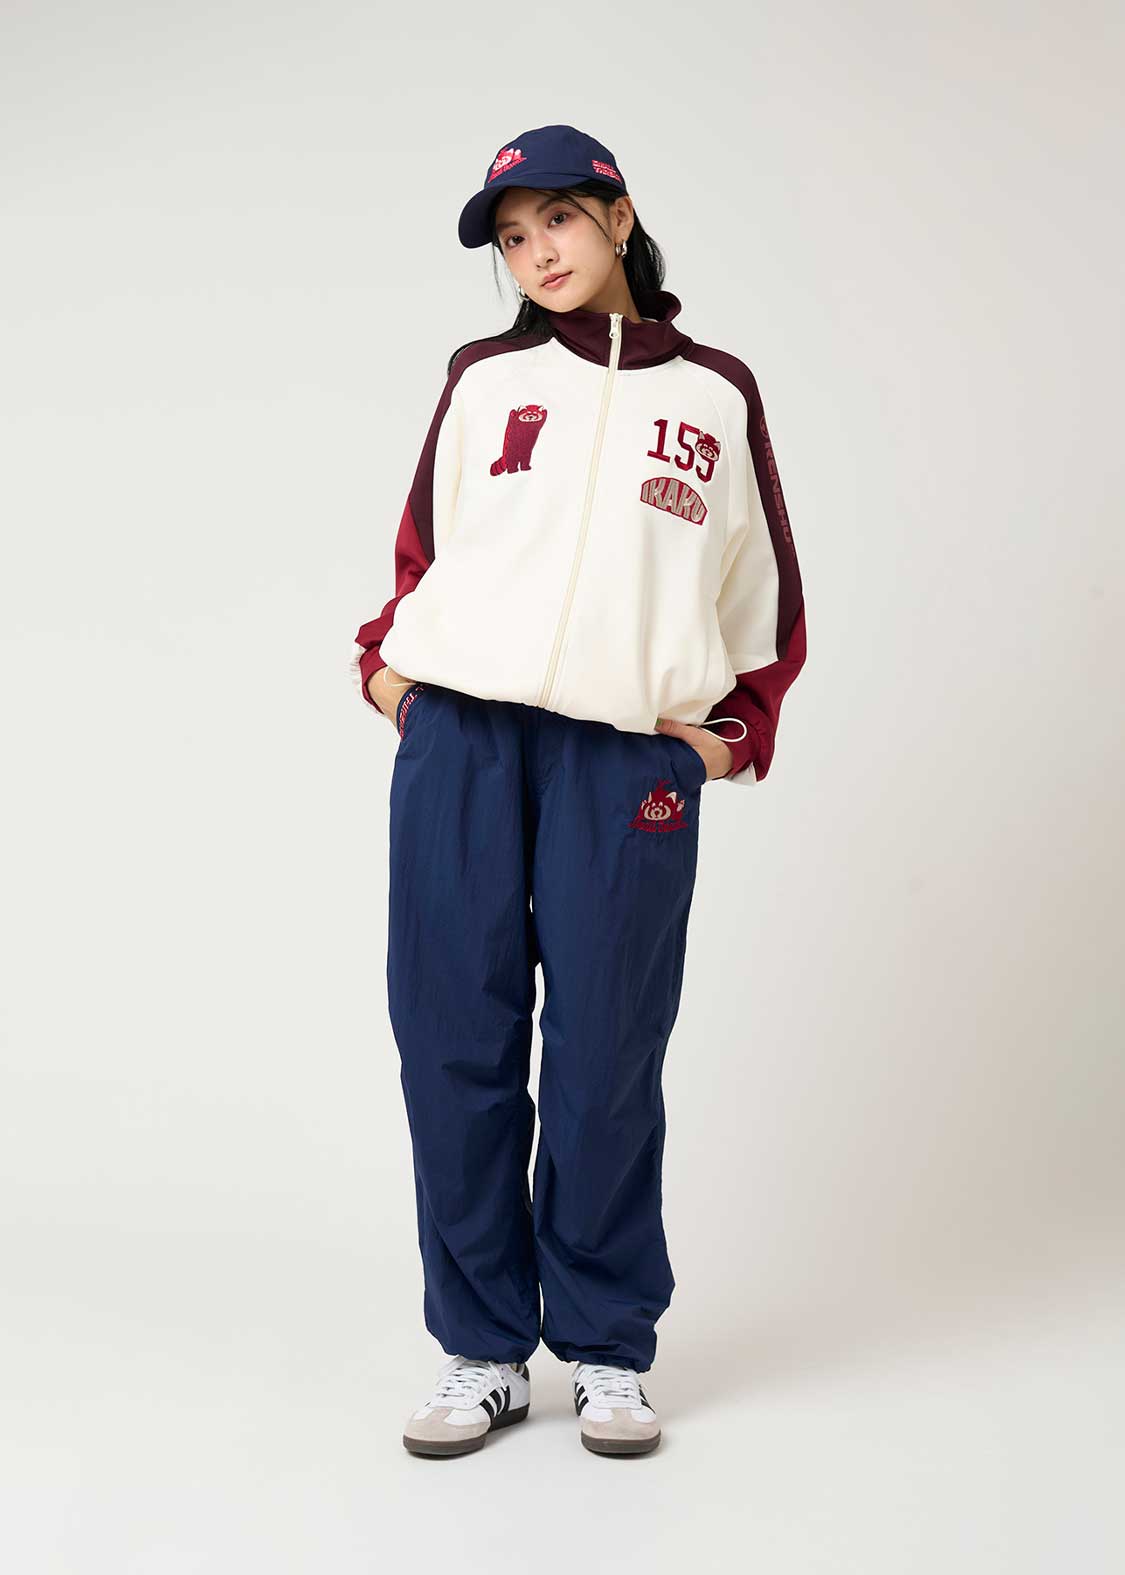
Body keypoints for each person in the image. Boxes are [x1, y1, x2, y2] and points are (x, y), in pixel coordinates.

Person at [349, 124, 807, 1459]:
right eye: (510, 237)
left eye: (555, 219)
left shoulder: (715, 394)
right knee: (453, 1040)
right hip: (464, 744)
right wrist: (393, 683)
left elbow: (763, 598)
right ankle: (483, 1348)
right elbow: (421, 551)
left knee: (608, 1053)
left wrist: (719, 740)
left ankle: (606, 1347)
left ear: (617, 215)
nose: (535, 253)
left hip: (624, 758)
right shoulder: (482, 378)